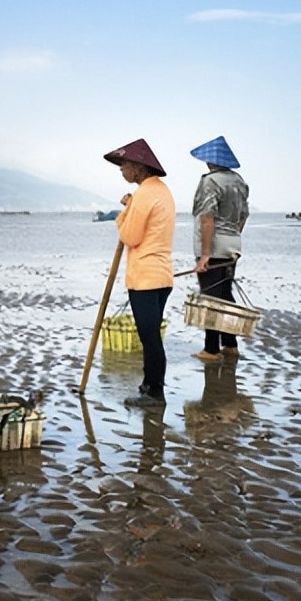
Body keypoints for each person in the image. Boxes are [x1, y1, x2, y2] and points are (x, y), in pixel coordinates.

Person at [104, 138, 176, 407]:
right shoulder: (161, 190)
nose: (122, 171)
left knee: (149, 337)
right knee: (151, 335)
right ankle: (148, 384)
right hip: (161, 275)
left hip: (146, 277)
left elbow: (130, 236)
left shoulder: (146, 193)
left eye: (124, 165)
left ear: (137, 166)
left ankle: (155, 393)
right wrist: (131, 206)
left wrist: (122, 215)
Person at [190, 136, 250, 362]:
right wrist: (232, 239)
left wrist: (205, 254)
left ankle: (211, 349)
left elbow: (207, 218)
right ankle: (230, 344)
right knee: (225, 295)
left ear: (210, 161)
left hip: (214, 247)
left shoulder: (210, 181)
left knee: (211, 299)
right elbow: (243, 217)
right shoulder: (239, 181)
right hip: (233, 245)